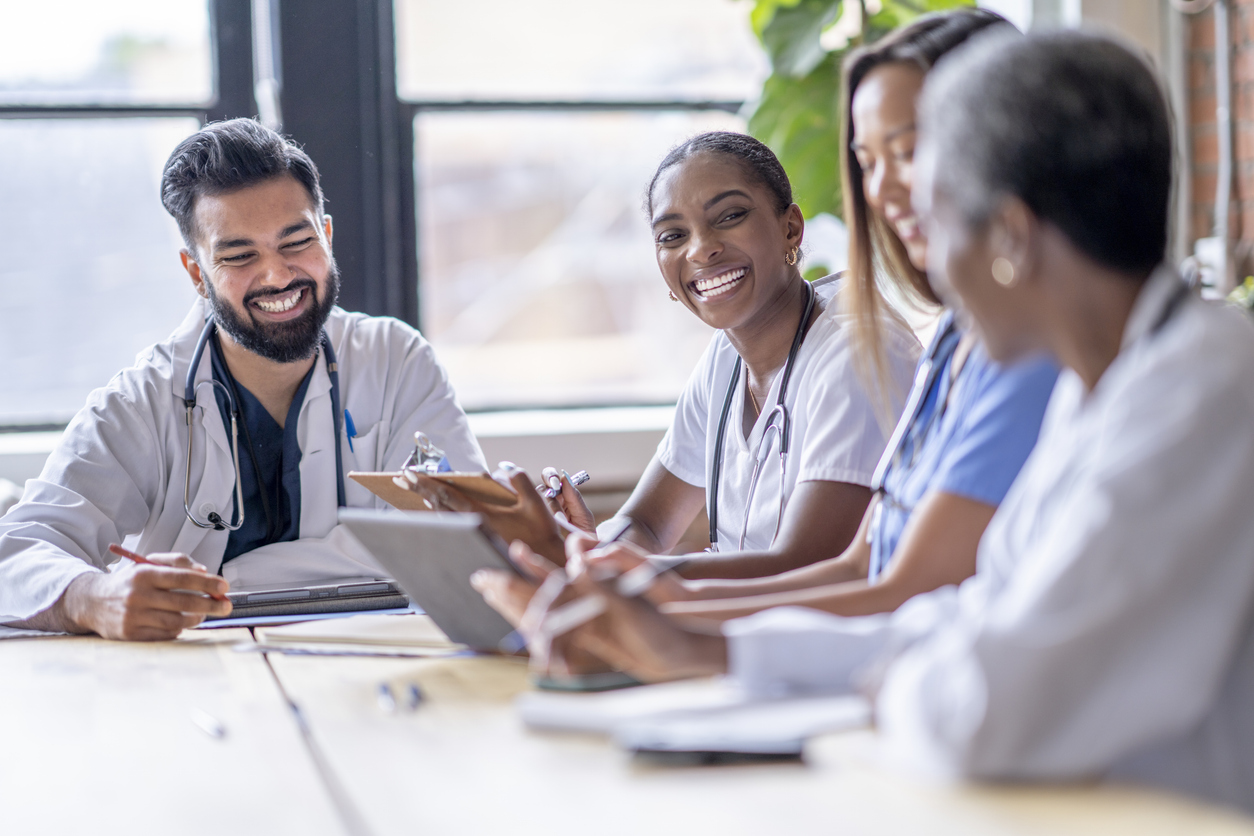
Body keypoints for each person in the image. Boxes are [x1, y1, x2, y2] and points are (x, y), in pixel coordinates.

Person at [478, 31, 1254, 812]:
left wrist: (847, 675)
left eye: (935, 213)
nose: (919, 254)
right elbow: (962, 617)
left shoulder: (1197, 396)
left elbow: (984, 707)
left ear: (1011, 238)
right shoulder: (1099, 388)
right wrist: (695, 645)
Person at [0, 118, 485, 641]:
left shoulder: (397, 360)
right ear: (196, 274)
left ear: (325, 234)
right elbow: (20, 550)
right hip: (190, 678)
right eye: (238, 256)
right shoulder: (142, 402)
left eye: (296, 241)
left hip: (367, 664)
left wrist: (225, 581)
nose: (277, 276)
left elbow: (464, 539)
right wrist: (92, 598)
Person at [402, 132, 919, 579]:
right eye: (673, 235)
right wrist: (585, 546)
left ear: (791, 228)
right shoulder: (725, 359)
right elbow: (647, 525)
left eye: (730, 216)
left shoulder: (856, 350)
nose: (700, 250)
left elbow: (804, 564)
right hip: (746, 633)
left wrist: (603, 565)